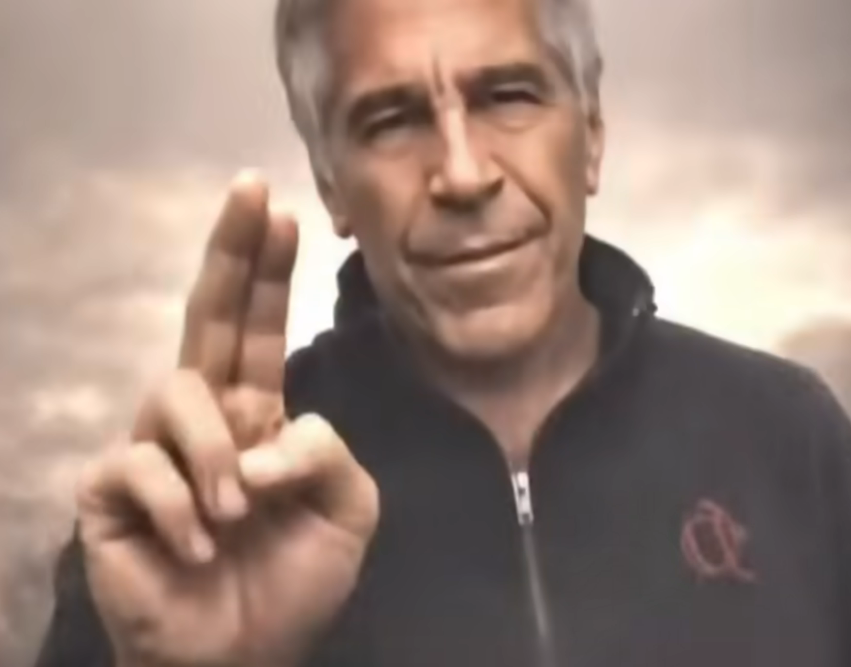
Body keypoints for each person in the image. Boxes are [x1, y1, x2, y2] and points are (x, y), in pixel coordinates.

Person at [33, 0, 851, 665]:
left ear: (592, 131)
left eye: (509, 95)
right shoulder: (199, 519)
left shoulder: (789, 436)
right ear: (329, 181)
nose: (462, 174)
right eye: (390, 119)